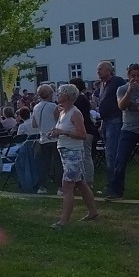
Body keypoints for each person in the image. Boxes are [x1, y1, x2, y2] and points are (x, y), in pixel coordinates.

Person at [47, 84, 99, 228]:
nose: (58, 95)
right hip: (65, 151)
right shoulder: (63, 112)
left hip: (73, 152)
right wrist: (56, 131)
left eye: (60, 93)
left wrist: (63, 133)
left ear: (68, 96)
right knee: (81, 182)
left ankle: (63, 221)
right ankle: (93, 211)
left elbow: (82, 134)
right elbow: (63, 129)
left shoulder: (75, 113)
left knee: (67, 186)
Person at [106, 65, 139, 200]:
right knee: (120, 161)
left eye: (138, 75)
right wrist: (129, 92)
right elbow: (121, 106)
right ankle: (116, 191)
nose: (136, 79)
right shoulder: (122, 89)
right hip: (129, 129)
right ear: (128, 76)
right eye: (133, 76)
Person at [93, 61, 125, 192]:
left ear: (109, 70)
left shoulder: (117, 81)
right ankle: (112, 182)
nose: (98, 71)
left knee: (112, 153)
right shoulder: (102, 84)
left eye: (100, 69)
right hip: (106, 120)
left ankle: (115, 185)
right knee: (108, 152)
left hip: (115, 119)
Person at [31, 84, 60, 195]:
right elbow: (59, 120)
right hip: (54, 138)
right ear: (50, 94)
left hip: (43, 138)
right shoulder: (53, 106)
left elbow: (34, 124)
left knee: (44, 165)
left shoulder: (36, 107)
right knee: (58, 163)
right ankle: (60, 187)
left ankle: (42, 187)